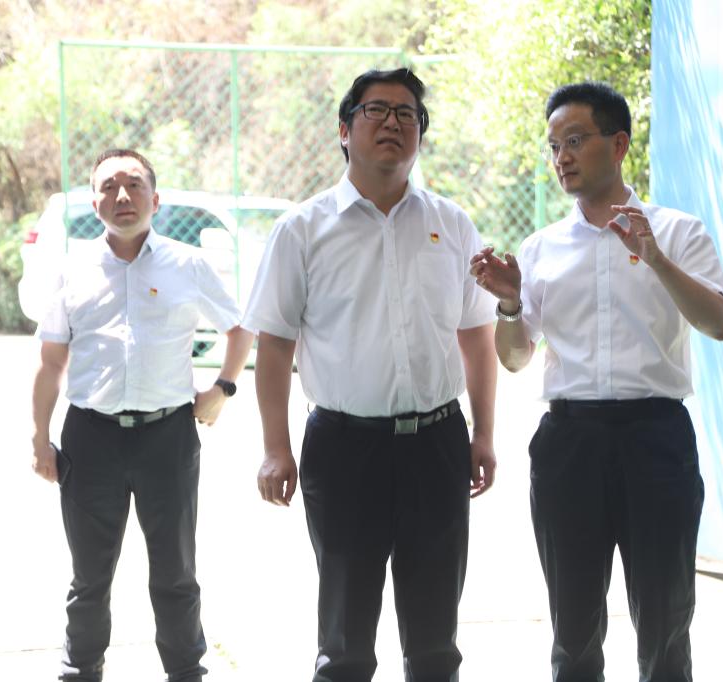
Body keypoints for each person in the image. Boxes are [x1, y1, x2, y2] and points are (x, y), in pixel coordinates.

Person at [470, 81, 723, 682]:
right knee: (573, 629)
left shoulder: (678, 231)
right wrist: (509, 304)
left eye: (575, 140)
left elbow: (719, 324)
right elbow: (515, 358)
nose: (561, 156)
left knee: (666, 622)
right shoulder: (540, 248)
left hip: (656, 438)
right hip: (570, 443)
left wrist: (656, 258)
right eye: (553, 145)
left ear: (618, 145)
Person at [243, 67, 497, 682]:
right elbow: (274, 346)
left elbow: (477, 335)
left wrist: (484, 434)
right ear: (345, 129)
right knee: (345, 643)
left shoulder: (452, 224)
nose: (392, 123)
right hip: (344, 449)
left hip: (437, 445)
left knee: (435, 642)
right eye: (376, 110)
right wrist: (276, 447)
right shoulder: (302, 229)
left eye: (407, 114)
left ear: (420, 134)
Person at [30, 148, 254, 682]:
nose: (122, 195)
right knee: (89, 575)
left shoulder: (188, 264)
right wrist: (39, 438)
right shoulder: (73, 268)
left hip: (167, 438)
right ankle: (80, 669)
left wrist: (223, 388)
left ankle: (185, 670)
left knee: (176, 572)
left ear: (156, 198)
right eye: (109, 186)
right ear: (94, 203)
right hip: (90, 439)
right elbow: (51, 360)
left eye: (134, 184)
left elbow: (239, 328)